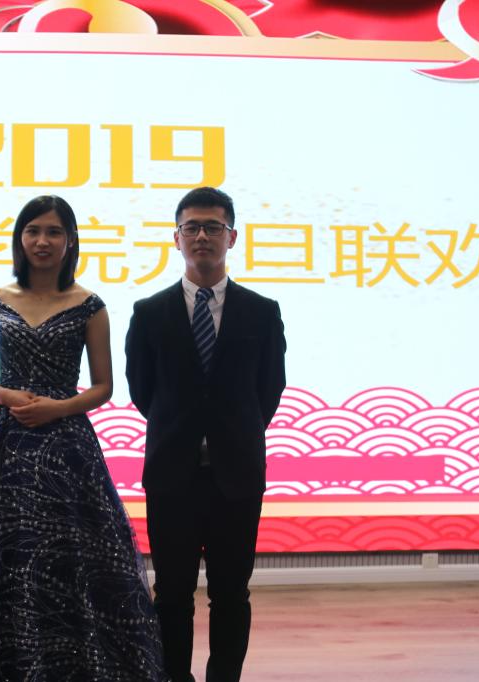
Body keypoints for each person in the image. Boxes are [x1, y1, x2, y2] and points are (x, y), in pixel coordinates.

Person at [0, 195, 165, 681]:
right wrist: (7, 396)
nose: (42, 241)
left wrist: (57, 407)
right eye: (33, 231)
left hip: (67, 448)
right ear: (19, 239)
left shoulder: (90, 305)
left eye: (53, 232)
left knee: (69, 557)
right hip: (6, 442)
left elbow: (104, 386)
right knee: (6, 555)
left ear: (70, 241)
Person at [125, 187, 286, 682]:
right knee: (172, 594)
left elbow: (269, 390)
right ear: (176, 238)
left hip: (236, 474)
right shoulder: (149, 312)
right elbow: (142, 390)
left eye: (213, 227)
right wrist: (185, 430)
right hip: (172, 475)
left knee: (231, 593)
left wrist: (229, 433)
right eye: (191, 227)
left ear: (231, 237)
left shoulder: (262, 311)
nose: (201, 236)